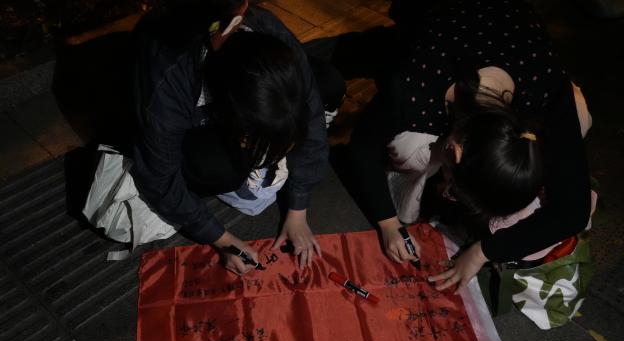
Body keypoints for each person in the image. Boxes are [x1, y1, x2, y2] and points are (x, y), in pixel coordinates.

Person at [345, 0, 592, 293]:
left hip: (504, 35)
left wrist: (483, 251)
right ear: (454, 150)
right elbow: (362, 146)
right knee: (412, 149)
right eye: (452, 188)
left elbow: (573, 212)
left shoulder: (544, 86)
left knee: (580, 118)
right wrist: (388, 223)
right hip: (436, 18)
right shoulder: (414, 89)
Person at [131, 0, 345, 274]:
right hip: (188, 102)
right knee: (218, 169)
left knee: (326, 84)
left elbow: (311, 113)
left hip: (228, 78)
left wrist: (298, 211)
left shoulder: (266, 28)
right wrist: (222, 239)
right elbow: (160, 179)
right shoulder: (166, 87)